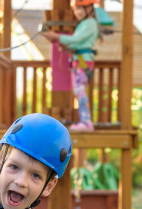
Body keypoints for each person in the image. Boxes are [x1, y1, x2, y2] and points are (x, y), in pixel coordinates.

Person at [43, 0, 102, 131]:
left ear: (90, 9)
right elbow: (76, 44)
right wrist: (64, 45)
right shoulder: (83, 24)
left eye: (80, 9)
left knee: (79, 91)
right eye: (76, 9)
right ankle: (85, 121)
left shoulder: (90, 23)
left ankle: (86, 122)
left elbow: (75, 39)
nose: (77, 12)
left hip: (83, 61)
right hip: (78, 60)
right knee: (78, 91)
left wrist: (56, 36)